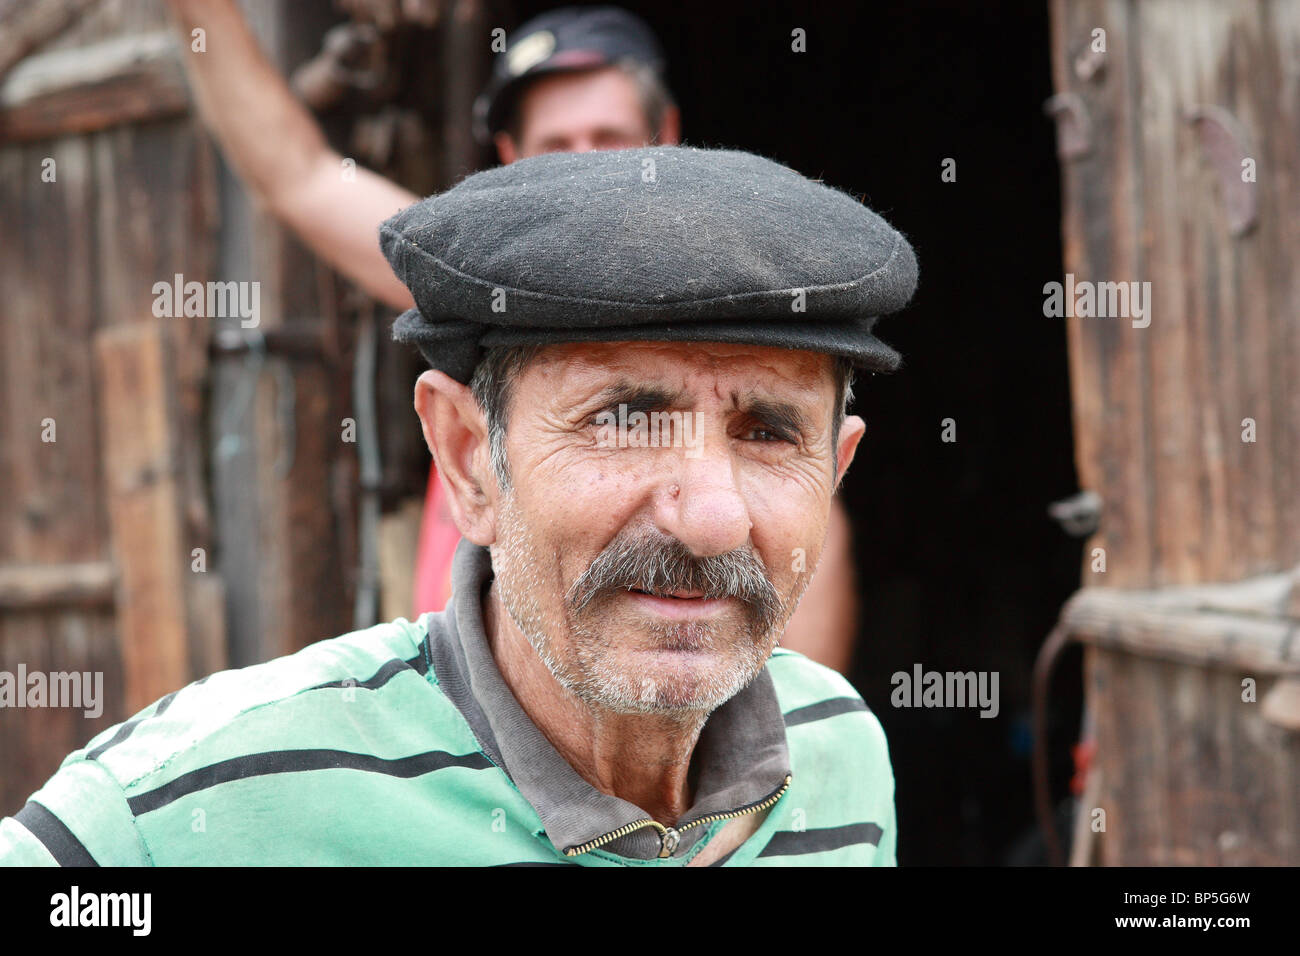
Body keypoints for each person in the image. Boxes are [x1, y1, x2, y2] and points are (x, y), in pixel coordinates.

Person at [0, 146, 914, 866]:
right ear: (471, 460)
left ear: (834, 471)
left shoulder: (837, 753)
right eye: (626, 419)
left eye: (767, 433)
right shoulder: (195, 807)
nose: (710, 517)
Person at [161, 1, 860, 672]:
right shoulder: (471, 281)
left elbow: (801, 708)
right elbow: (300, 176)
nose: (584, 166)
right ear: (509, 156)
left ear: (665, 135)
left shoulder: (739, 302)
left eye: (608, 138)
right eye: (556, 147)